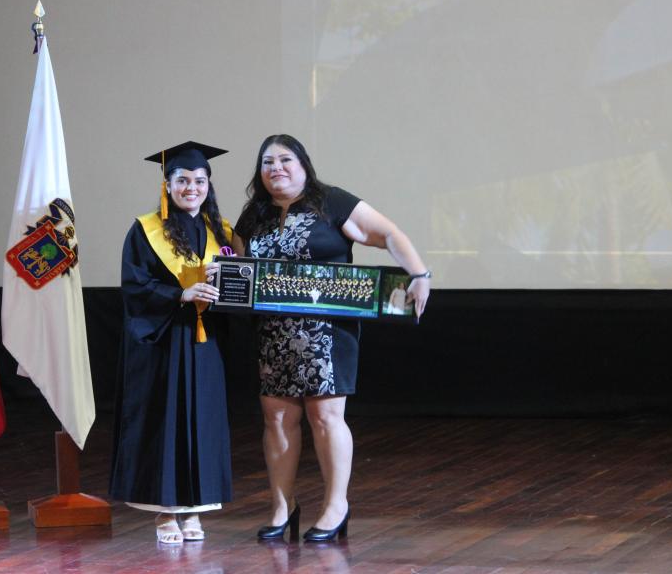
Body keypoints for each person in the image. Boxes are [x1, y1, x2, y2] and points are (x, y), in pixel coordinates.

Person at [231, 134, 431, 542]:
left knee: (325, 417)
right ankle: (283, 507)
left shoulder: (331, 202)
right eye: (267, 162)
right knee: (278, 419)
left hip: (326, 333)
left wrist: (419, 275)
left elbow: (389, 233)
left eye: (286, 160)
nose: (276, 168)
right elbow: (237, 266)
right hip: (273, 334)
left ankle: (336, 505)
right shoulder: (254, 216)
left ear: (304, 165)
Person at [110, 141, 234, 544]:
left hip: (204, 344)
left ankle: (195, 510)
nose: (191, 188)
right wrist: (180, 295)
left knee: (202, 421)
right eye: (182, 180)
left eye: (199, 180)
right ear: (168, 185)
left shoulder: (223, 232)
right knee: (165, 424)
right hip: (164, 342)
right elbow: (134, 286)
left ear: (208, 184)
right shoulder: (146, 229)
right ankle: (166, 512)